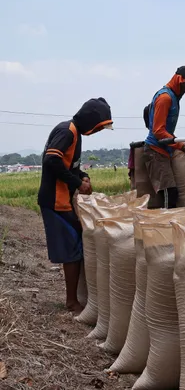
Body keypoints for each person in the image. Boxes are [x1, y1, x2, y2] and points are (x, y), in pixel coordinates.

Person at [37, 97, 114, 313]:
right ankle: (71, 301)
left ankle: (76, 297)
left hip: (62, 200)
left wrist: (83, 176)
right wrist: (78, 184)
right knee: (71, 248)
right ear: (91, 120)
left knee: (76, 242)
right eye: (98, 128)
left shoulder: (74, 133)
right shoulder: (67, 131)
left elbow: (68, 166)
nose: (97, 132)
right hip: (55, 200)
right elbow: (51, 161)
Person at [142, 66, 185, 208]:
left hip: (164, 150)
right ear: (181, 80)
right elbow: (158, 131)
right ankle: (168, 226)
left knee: (171, 193)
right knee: (169, 193)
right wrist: (181, 145)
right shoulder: (165, 98)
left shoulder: (173, 97)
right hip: (156, 151)